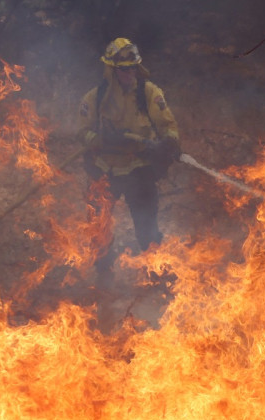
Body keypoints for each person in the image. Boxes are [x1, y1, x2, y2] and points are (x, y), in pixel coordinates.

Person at [77, 37, 180, 279]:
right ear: (112, 70)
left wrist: (169, 142)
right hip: (104, 170)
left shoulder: (149, 93)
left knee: (147, 229)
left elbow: (168, 125)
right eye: (123, 69)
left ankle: (158, 275)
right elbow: (82, 132)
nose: (129, 73)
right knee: (98, 229)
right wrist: (101, 139)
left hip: (139, 170)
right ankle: (103, 276)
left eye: (133, 68)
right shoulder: (94, 98)